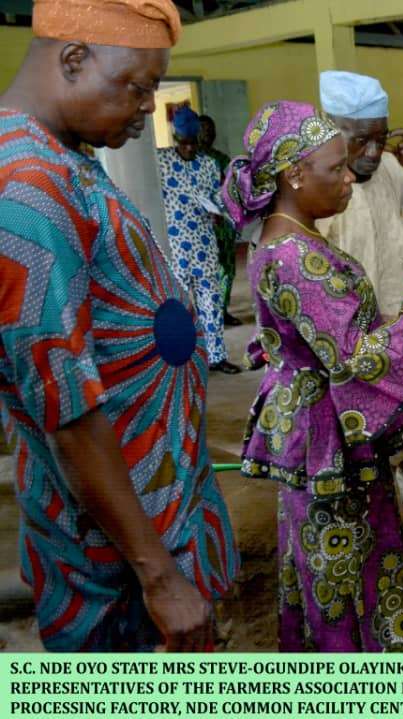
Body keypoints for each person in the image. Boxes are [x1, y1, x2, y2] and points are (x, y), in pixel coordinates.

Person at [223, 100, 403, 652]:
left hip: (329, 430)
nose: (350, 178)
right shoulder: (293, 257)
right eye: (336, 168)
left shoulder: (294, 239)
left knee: (349, 555)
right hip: (326, 442)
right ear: (294, 174)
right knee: (343, 567)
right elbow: (356, 357)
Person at [0, 0, 238, 651]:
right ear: (74, 58)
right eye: (137, 86)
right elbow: (67, 411)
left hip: (152, 512)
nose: (147, 107)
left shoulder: (60, 160)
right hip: (116, 565)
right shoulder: (26, 186)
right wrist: (159, 577)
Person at [315, 71, 403, 548]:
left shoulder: (391, 170)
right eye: (360, 140)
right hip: (351, 356)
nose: (373, 151)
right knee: (366, 475)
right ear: (332, 130)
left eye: (381, 137)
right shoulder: (319, 186)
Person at [157, 106, 240, 373]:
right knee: (179, 307)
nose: (189, 148)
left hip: (205, 245)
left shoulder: (209, 165)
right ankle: (183, 360)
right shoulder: (161, 162)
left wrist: (218, 211)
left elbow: (218, 199)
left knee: (211, 303)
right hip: (176, 247)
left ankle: (216, 357)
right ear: (175, 138)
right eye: (184, 142)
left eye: (193, 143)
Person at [197, 113, 242, 327]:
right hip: (202, 225)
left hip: (224, 223)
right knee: (207, 272)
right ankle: (207, 313)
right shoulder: (190, 162)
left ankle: (222, 311)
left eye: (211, 130)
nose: (208, 135)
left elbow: (232, 189)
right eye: (203, 130)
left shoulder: (222, 159)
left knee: (228, 269)